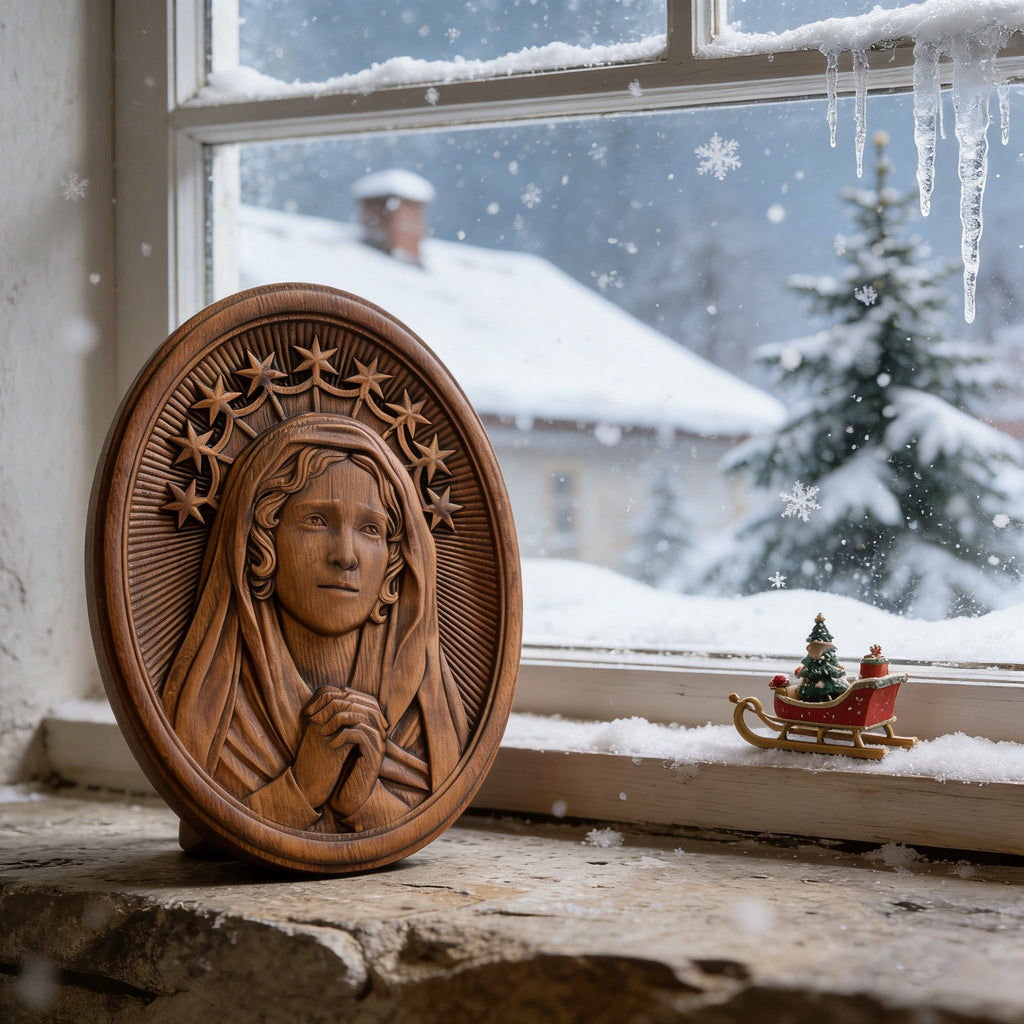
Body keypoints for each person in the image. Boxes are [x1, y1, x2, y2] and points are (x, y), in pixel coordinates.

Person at [162, 412, 469, 833]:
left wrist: (362, 798)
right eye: (317, 521)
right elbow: (208, 833)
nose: (345, 555)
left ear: (395, 564)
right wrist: (303, 786)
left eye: (371, 529)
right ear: (261, 542)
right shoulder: (212, 715)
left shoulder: (426, 724)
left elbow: (421, 825)